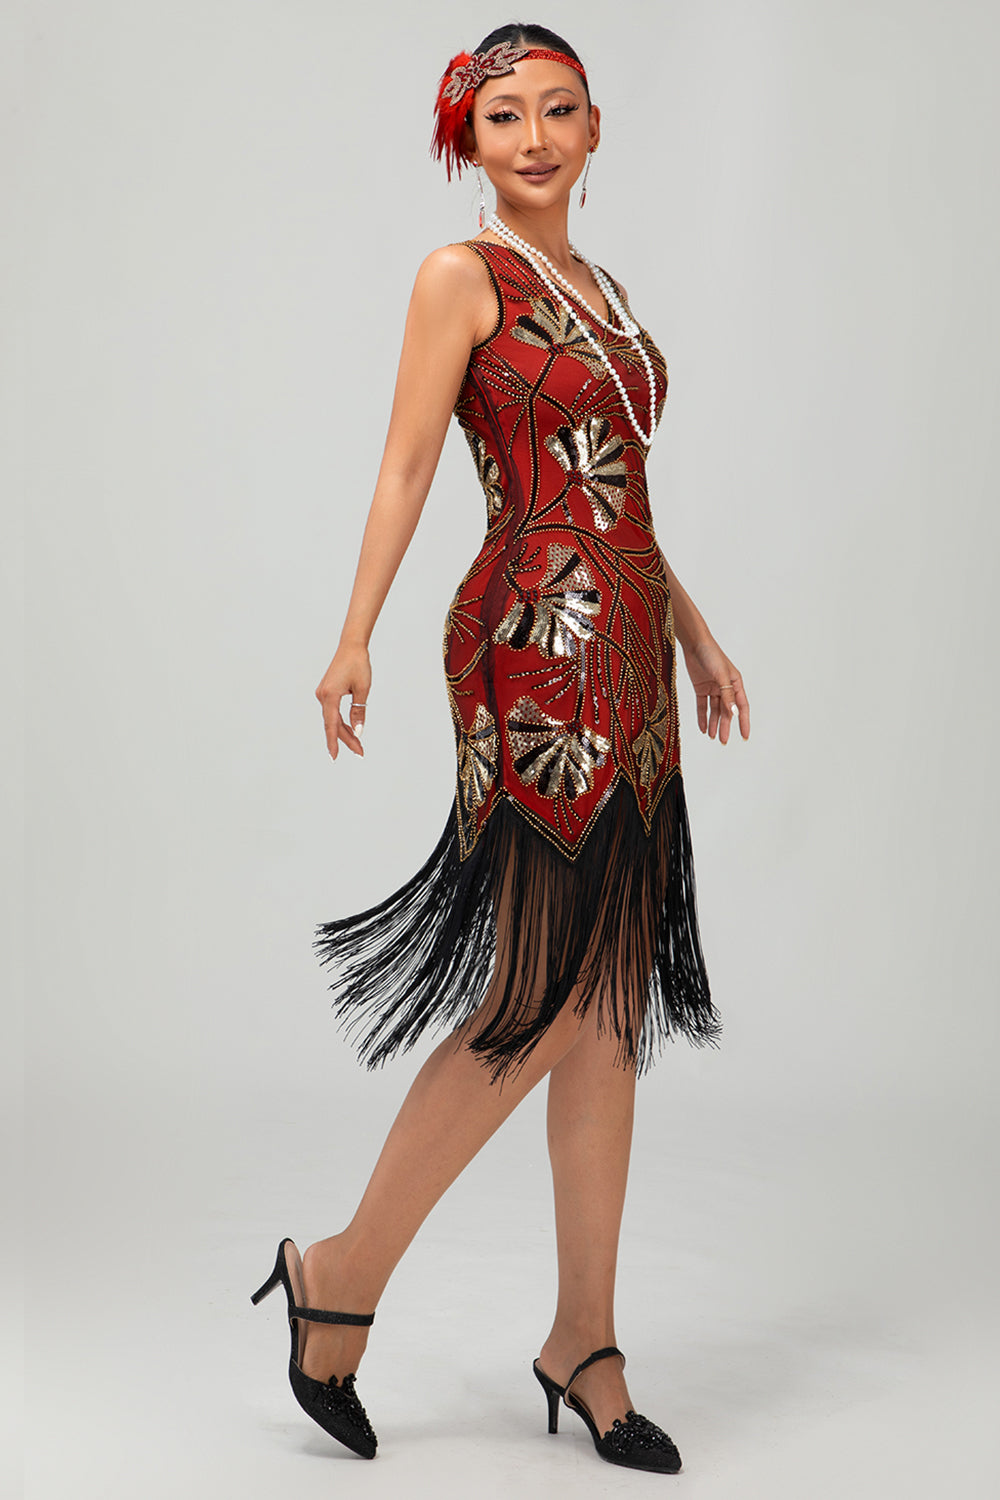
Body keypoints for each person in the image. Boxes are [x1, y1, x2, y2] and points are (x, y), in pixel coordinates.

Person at [251, 22, 750, 1475]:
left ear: (596, 130)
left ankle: (585, 1337)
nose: (533, 138)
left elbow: (620, 496)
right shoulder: (460, 277)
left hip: (630, 649)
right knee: (541, 992)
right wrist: (352, 635)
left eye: (559, 111)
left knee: (609, 1004)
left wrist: (694, 633)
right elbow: (409, 463)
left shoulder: (605, 292)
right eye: (502, 116)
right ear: (465, 142)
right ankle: (341, 1270)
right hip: (531, 646)